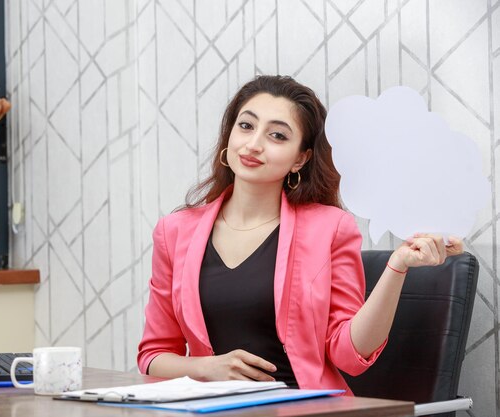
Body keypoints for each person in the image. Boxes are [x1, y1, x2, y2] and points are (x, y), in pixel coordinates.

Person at [137, 75, 463, 395]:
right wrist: (206, 369)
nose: (253, 144)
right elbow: (153, 355)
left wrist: (398, 267)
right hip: (214, 407)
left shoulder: (330, 228)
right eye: (246, 126)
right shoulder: (175, 232)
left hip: (303, 407)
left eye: (277, 135)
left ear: (300, 158)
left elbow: (350, 355)